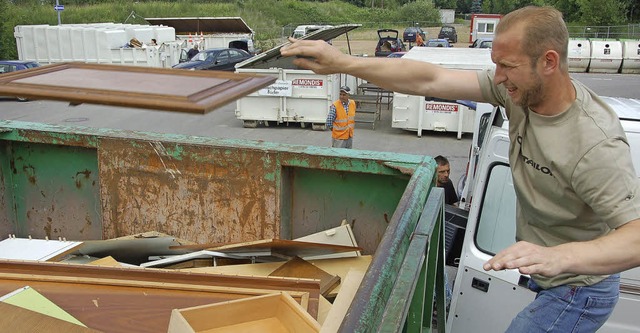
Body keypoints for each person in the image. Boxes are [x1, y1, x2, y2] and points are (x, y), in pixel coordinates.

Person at [281, 6, 640, 332]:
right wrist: (343, 62)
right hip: (546, 272)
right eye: (496, 64)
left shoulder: (594, 144)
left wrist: (556, 256)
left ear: (548, 62)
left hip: (579, 289)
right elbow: (429, 80)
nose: (498, 78)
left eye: (508, 66)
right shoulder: (518, 92)